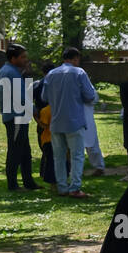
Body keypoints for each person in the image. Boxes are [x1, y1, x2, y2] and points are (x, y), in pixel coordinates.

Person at [43, 47, 98, 199]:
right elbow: (90, 95)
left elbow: (44, 97)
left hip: (56, 122)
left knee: (58, 157)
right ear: (75, 59)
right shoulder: (79, 72)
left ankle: (62, 187)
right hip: (74, 121)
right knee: (77, 156)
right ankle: (74, 187)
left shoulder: (51, 74)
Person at [0, 43, 37, 192]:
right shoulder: (11, 72)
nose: (26, 59)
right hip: (16, 117)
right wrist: (34, 110)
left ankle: (29, 182)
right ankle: (13, 185)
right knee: (15, 150)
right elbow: (20, 97)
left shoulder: (8, 70)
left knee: (25, 150)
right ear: (13, 58)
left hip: (16, 116)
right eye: (23, 57)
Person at [32, 69, 56, 185]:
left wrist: (36, 118)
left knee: (46, 151)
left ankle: (43, 173)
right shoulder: (53, 83)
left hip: (43, 121)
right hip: (51, 121)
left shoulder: (38, 84)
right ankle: (47, 174)